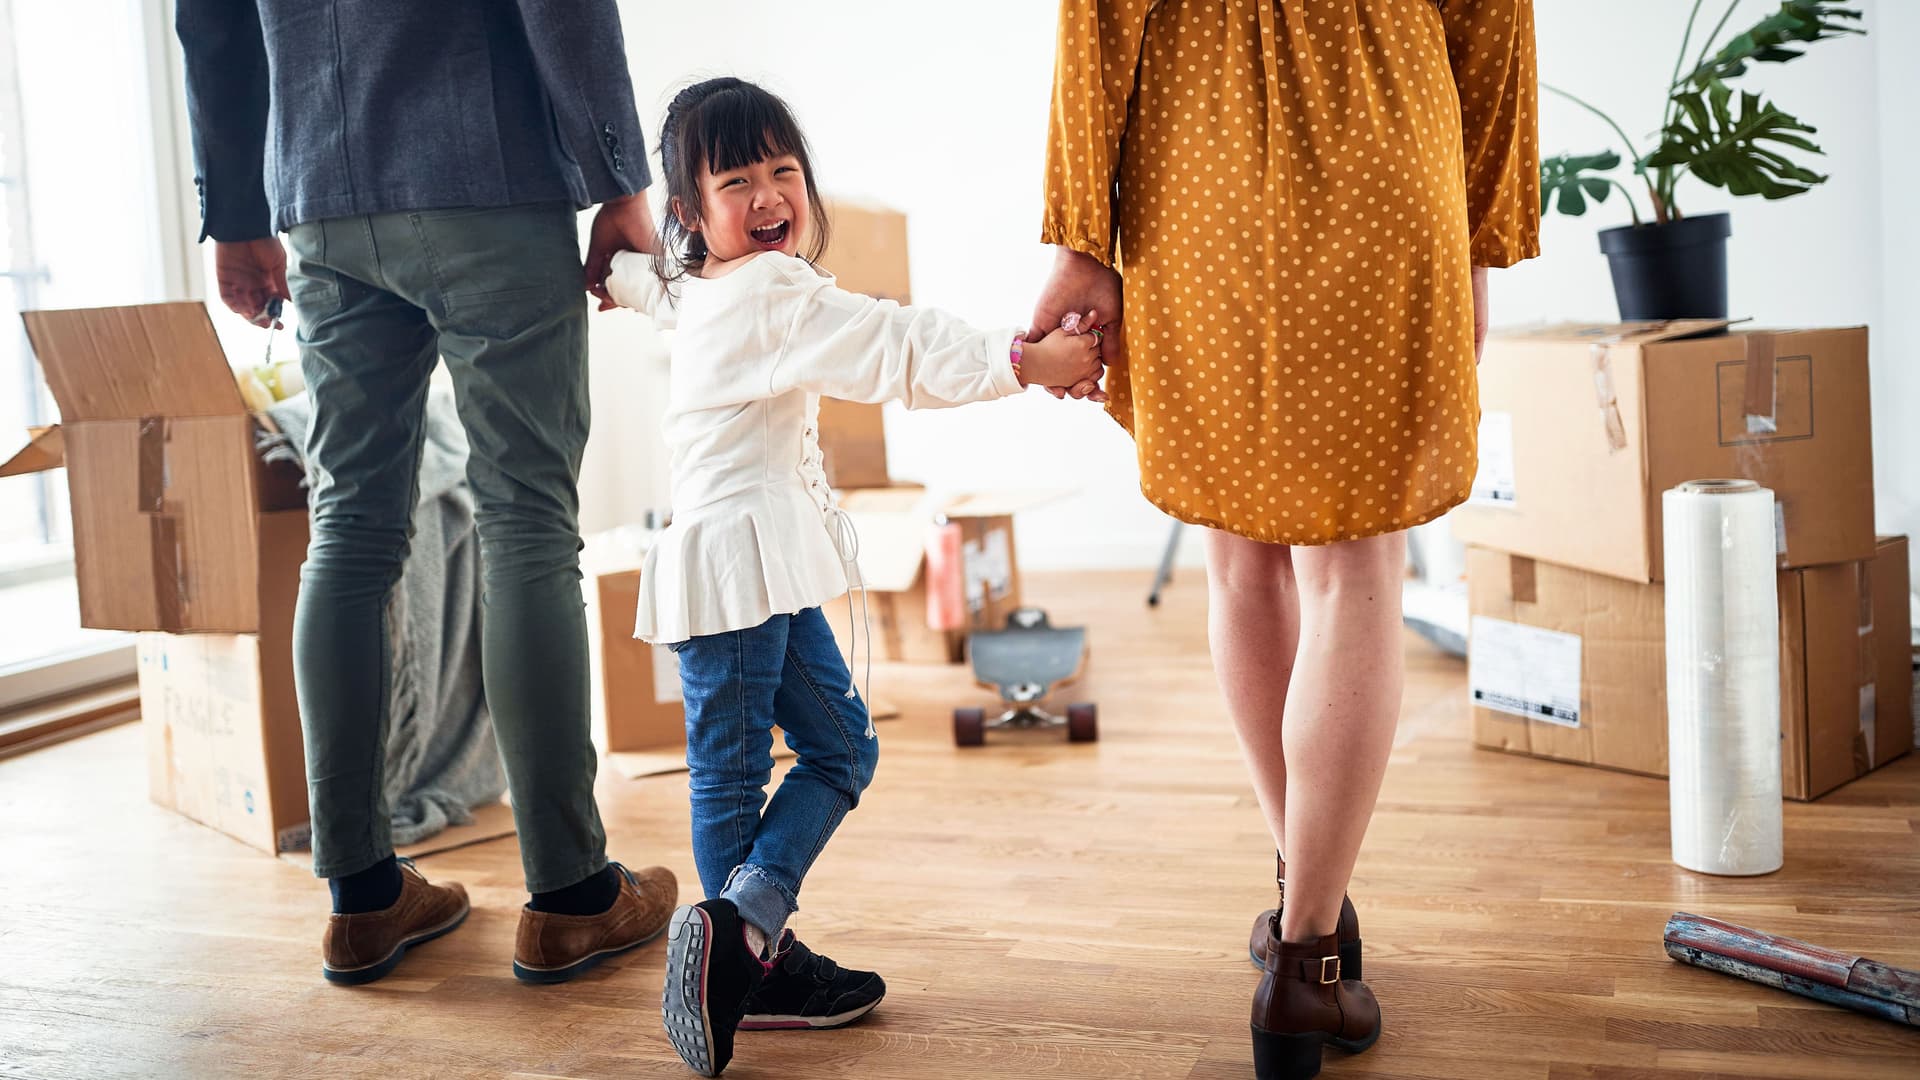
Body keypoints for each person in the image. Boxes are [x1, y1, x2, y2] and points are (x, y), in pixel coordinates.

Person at [1033, 2, 1539, 1076]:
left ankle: (1308, 915)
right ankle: (1311, 948)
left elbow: (1098, 15)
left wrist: (1083, 235)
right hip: (1385, 136)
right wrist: (1481, 234)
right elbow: (1493, 16)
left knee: (1237, 552)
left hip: (1195, 159)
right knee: (1355, 567)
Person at [605, 77, 1105, 1078]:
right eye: (735, 179)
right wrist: (1029, 362)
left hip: (761, 570)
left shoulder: (698, 285)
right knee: (742, 774)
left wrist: (607, 262)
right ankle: (745, 947)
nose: (767, 196)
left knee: (837, 749)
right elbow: (898, 348)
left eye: (781, 170)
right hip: (739, 574)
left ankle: (746, 933)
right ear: (691, 214)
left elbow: (642, 281)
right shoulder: (773, 291)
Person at [176, 0, 677, 986]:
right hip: (485, 169)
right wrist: (618, 175)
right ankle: (574, 898)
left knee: (350, 530)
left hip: (321, 191)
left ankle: (362, 899)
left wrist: (237, 214)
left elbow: (214, 22)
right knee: (527, 521)